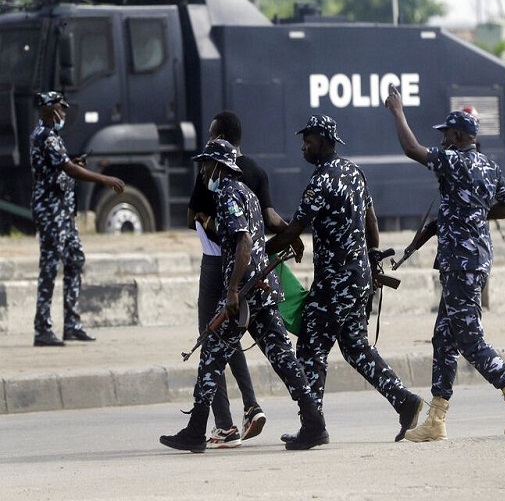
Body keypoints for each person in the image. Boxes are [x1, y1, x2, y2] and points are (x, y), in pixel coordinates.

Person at [384, 85, 505, 441]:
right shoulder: (489, 166)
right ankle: (436, 420)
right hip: (475, 259)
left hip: (461, 263)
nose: (442, 140)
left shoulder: (453, 161)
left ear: (457, 135)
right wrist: (476, 215)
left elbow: (412, 149)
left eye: (446, 134)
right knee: (444, 337)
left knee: (468, 337)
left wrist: (397, 111)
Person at [263, 114, 423, 444]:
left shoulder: (320, 182)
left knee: (310, 345)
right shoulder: (353, 171)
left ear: (324, 141)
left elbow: (294, 231)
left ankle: (313, 425)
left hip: (335, 282)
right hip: (359, 276)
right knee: (354, 347)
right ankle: (404, 401)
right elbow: (371, 220)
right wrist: (373, 257)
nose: (303, 146)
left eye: (308, 140)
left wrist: (261, 250)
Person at [160, 139, 326, 452]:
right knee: (283, 357)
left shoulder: (226, 194)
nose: (203, 170)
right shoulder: (247, 193)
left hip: (246, 292)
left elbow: (244, 242)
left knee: (210, 357)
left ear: (219, 167)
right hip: (262, 289)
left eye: (207, 164)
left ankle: (195, 432)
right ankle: (314, 423)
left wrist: (233, 290)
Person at [186, 111, 302, 448]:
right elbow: (270, 217)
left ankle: (224, 426)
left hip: (219, 264)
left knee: (213, 336)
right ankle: (252, 407)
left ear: (220, 136)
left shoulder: (212, 169)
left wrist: (213, 226)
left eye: (211, 134)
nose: (208, 141)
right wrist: (292, 233)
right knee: (231, 335)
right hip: (253, 267)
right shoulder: (256, 170)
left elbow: (192, 215)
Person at [30, 91, 125, 347]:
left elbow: (63, 165)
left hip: (62, 212)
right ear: (51, 109)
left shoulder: (53, 137)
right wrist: (103, 178)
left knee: (74, 259)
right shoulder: (46, 136)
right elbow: (67, 169)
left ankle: (71, 324)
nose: (64, 114)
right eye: (62, 109)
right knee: (50, 267)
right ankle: (42, 328)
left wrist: (73, 162)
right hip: (51, 212)